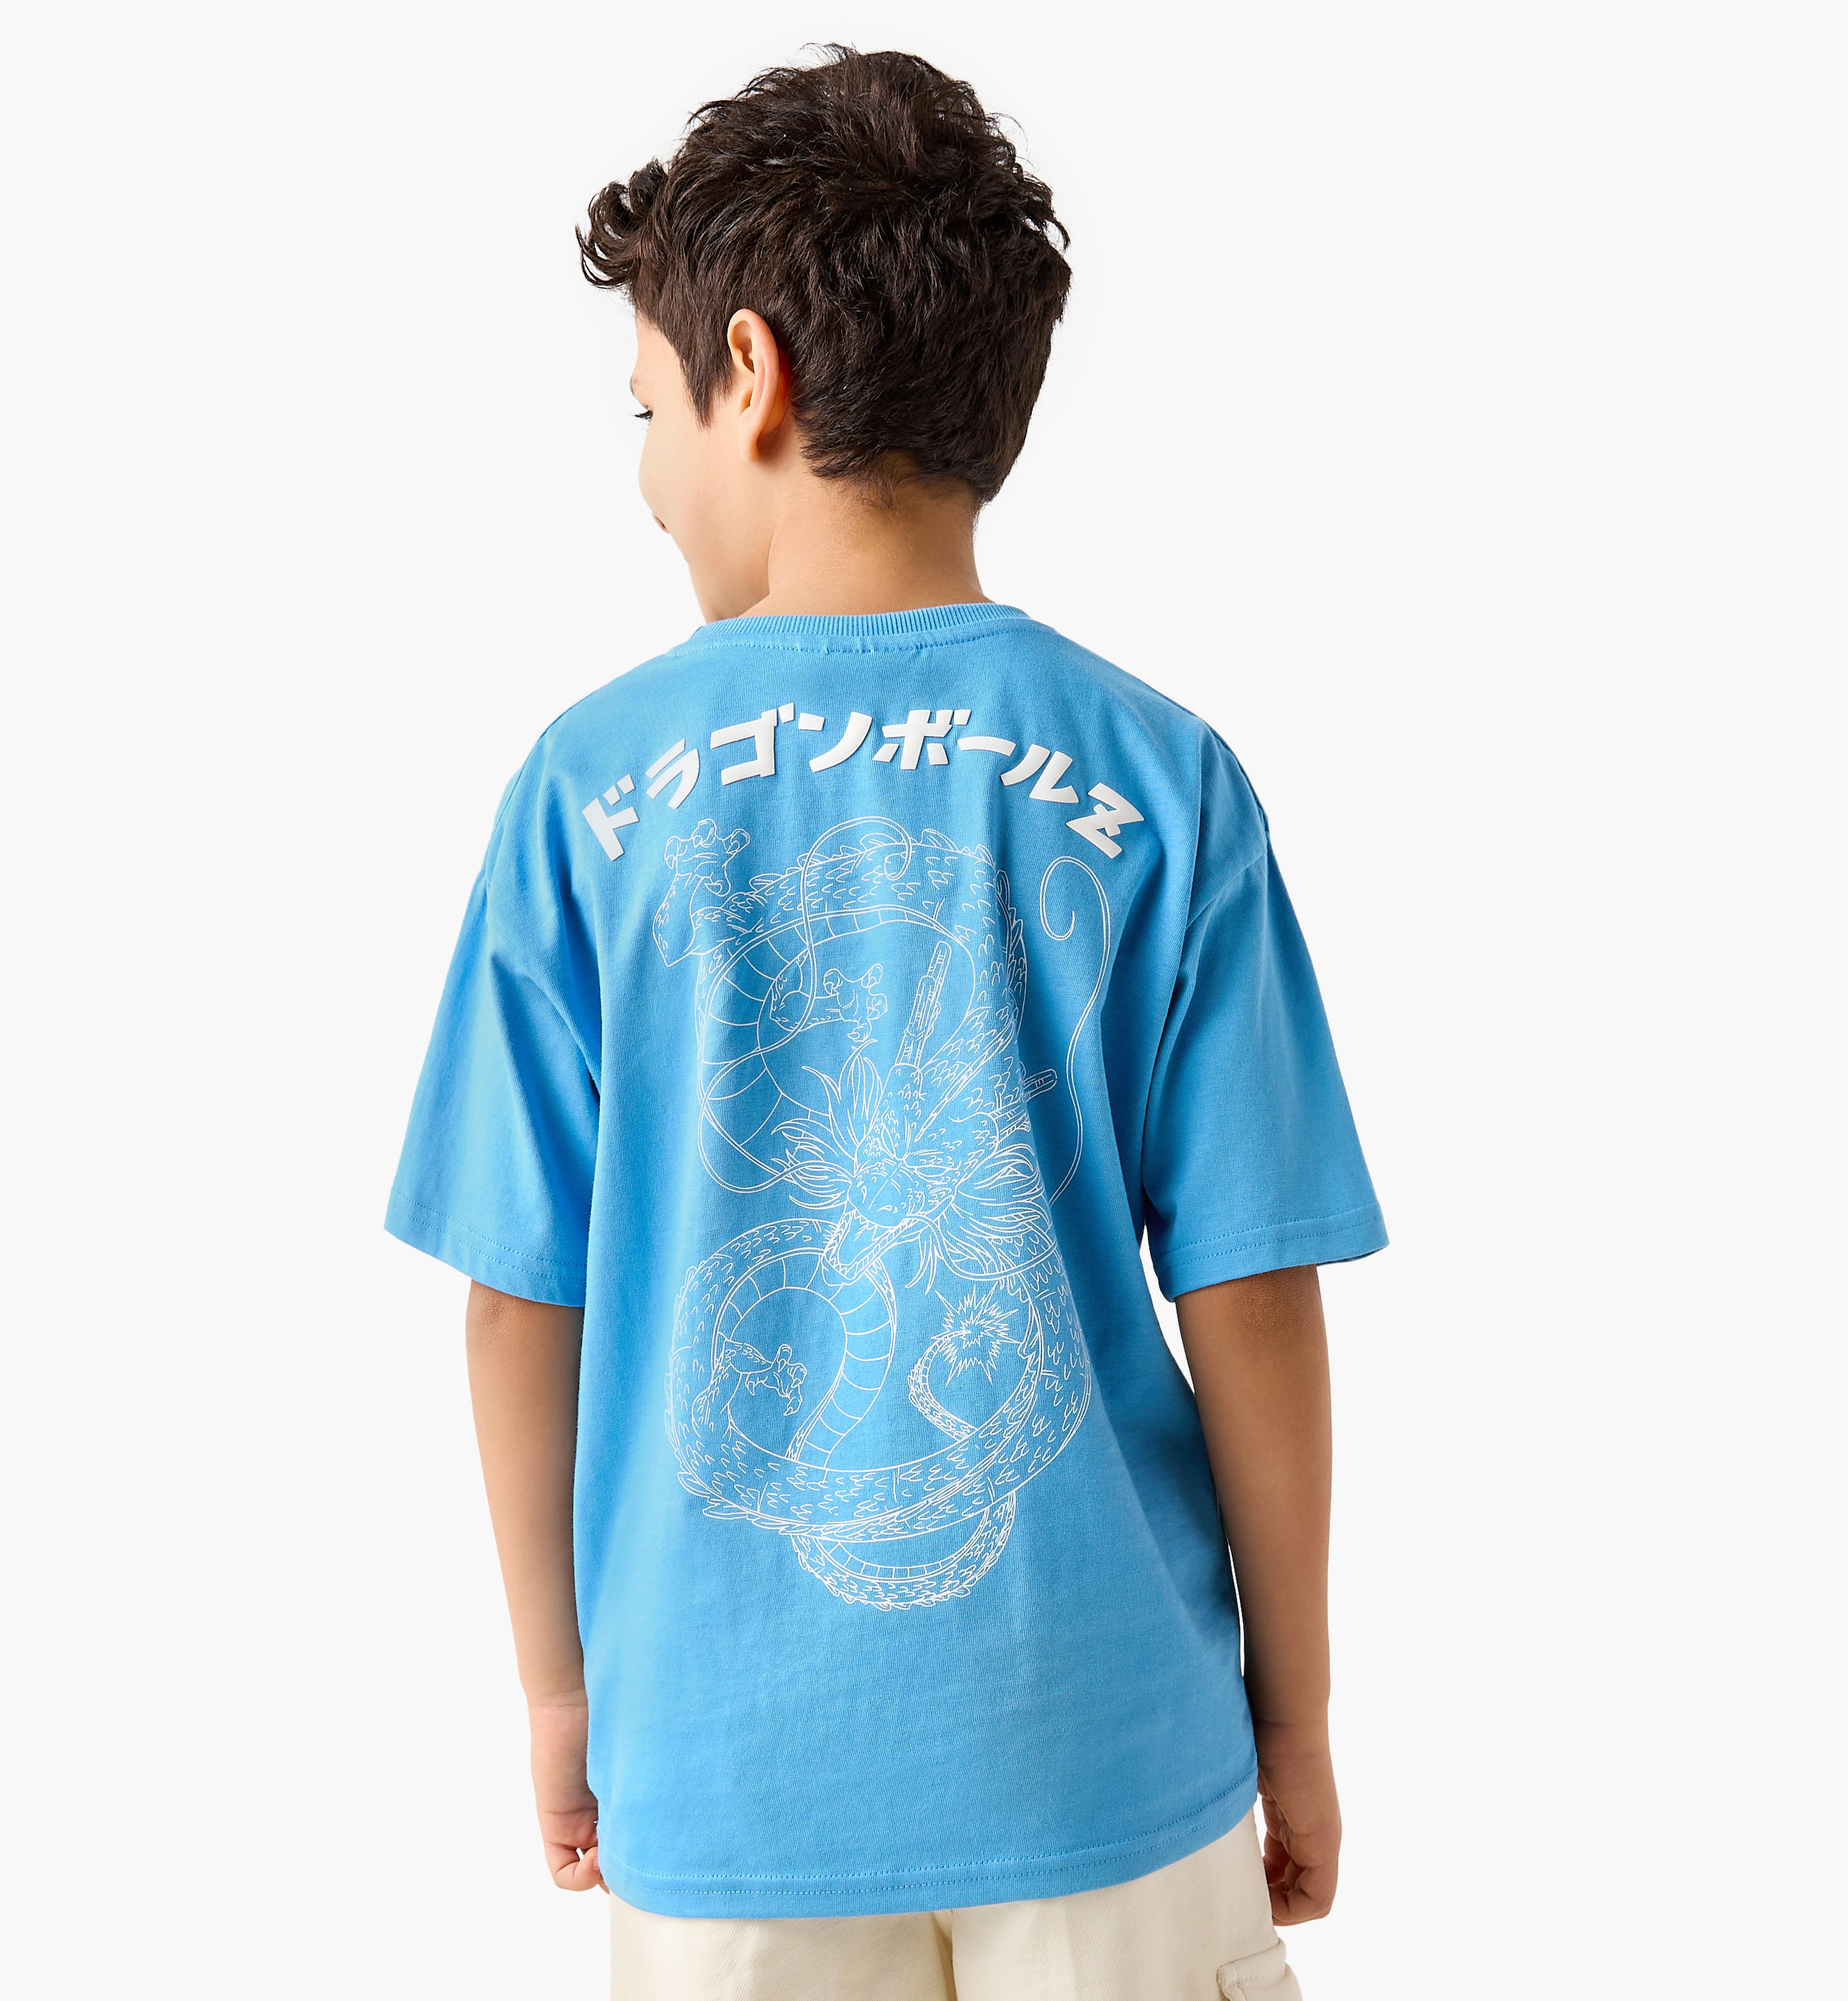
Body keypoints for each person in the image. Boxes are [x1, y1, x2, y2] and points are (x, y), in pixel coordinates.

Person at [386, 46, 1385, 2001]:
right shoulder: (1160, 776)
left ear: (748, 376)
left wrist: (559, 1697)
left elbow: (518, 1300)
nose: (645, 476)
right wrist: (1294, 1715)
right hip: (1108, 1749)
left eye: (648, 409)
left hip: (728, 1772)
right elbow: (1254, 1294)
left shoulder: (588, 790)